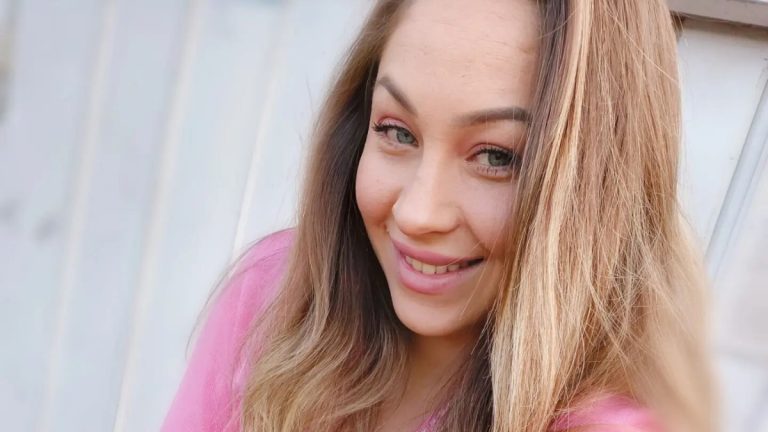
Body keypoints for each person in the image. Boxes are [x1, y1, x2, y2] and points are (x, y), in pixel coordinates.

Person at [162, 0, 717, 431]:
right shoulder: (274, 293)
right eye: (397, 132)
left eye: (496, 157)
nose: (417, 213)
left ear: (600, 190)